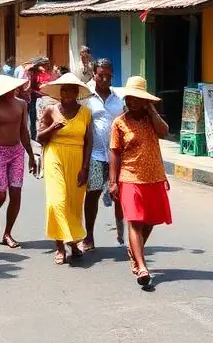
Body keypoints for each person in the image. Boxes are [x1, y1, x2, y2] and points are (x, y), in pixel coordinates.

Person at [108, 76, 171, 287]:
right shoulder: (119, 123)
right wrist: (113, 181)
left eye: (138, 99)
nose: (132, 102)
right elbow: (115, 153)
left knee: (151, 220)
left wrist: (152, 111)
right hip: (129, 176)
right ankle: (142, 267)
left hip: (153, 176)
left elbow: (164, 132)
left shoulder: (151, 120)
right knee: (134, 221)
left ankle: (135, 250)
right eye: (130, 98)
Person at [37, 73, 92, 265]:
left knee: (74, 204)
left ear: (77, 92)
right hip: (54, 155)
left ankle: (74, 243)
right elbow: (40, 138)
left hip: (77, 159)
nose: (65, 92)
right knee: (56, 201)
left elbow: (88, 142)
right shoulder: (50, 110)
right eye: (62, 89)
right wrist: (52, 127)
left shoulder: (85, 113)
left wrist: (85, 167)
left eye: (69, 89)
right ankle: (60, 245)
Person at [0, 75, 33, 248]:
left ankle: (8, 233)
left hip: (16, 152)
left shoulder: (21, 104)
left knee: (16, 193)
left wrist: (31, 155)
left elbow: (24, 130)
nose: (15, 91)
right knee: (0, 193)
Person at [82, 59, 126, 252]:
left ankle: (121, 233)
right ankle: (89, 236)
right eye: (101, 75)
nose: (105, 78)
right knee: (93, 194)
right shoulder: (85, 96)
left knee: (120, 195)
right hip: (95, 154)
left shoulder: (119, 97)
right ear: (94, 74)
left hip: (117, 154)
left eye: (108, 75)